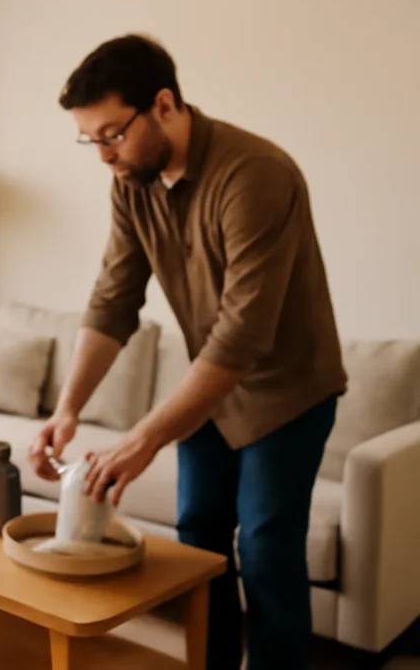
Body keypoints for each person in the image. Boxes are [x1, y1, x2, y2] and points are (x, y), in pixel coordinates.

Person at [27, 34, 347, 670]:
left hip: (288, 392)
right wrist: (67, 410)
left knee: (263, 548)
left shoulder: (255, 175)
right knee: (198, 540)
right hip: (211, 392)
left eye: (112, 133)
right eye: (91, 138)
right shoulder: (131, 181)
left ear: (165, 105)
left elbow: (242, 337)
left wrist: (141, 439)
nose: (103, 155)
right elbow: (113, 301)